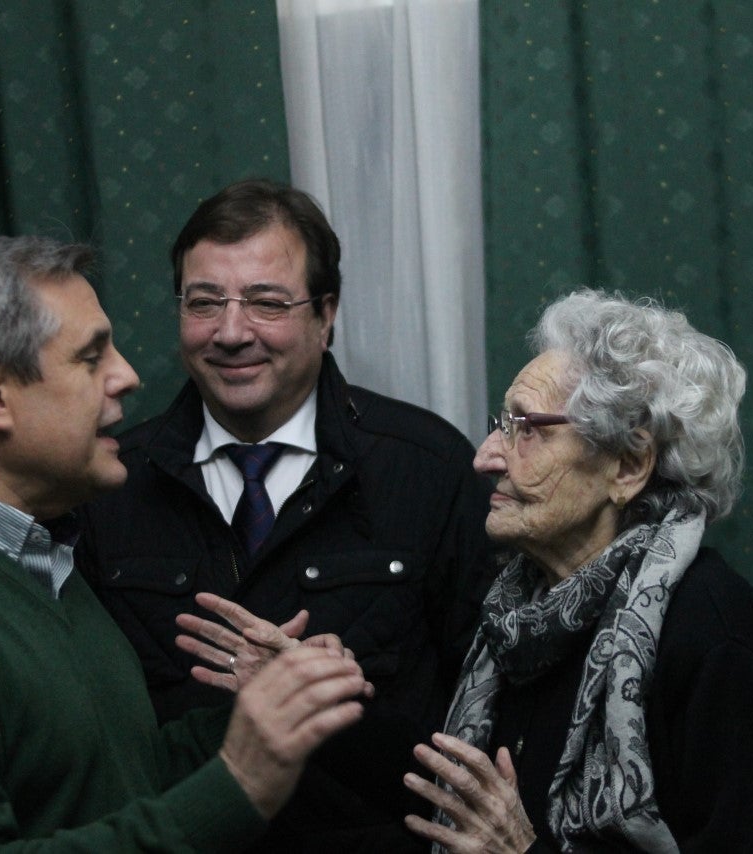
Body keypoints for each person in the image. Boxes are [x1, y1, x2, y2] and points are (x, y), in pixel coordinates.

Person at [0, 235, 369, 850]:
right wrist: (239, 783)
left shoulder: (33, 558)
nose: (128, 377)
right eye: (90, 358)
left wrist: (266, 715)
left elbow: (104, 778)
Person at [77, 178, 499, 851]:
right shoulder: (108, 479)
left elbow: (489, 714)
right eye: (204, 302)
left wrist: (338, 703)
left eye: (267, 303)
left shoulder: (426, 467)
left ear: (326, 314)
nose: (231, 332)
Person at [402, 289, 753, 852]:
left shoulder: (711, 630)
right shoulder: (514, 616)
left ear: (627, 465)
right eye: (503, 423)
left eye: (528, 428)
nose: (486, 456)